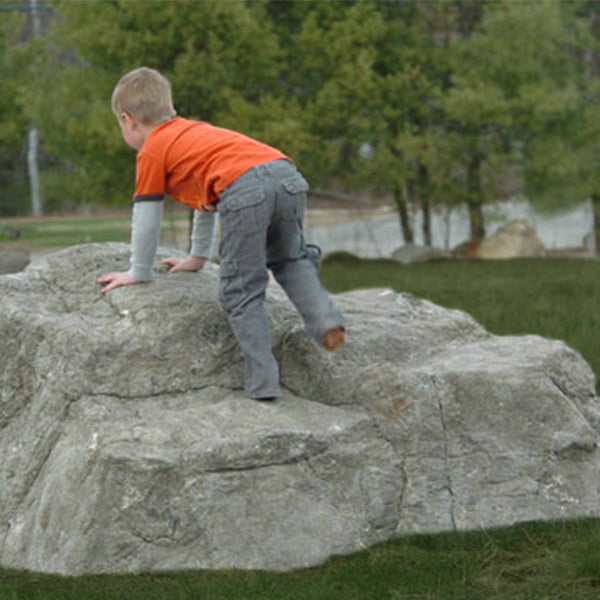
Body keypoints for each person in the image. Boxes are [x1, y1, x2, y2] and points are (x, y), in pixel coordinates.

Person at [99, 66, 345, 400]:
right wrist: (197, 258)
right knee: (289, 258)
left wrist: (137, 272)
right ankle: (326, 321)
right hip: (286, 175)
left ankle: (263, 384)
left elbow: (146, 218)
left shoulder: (152, 150)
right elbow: (205, 200)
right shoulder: (193, 133)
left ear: (128, 120)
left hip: (246, 190)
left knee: (240, 290)